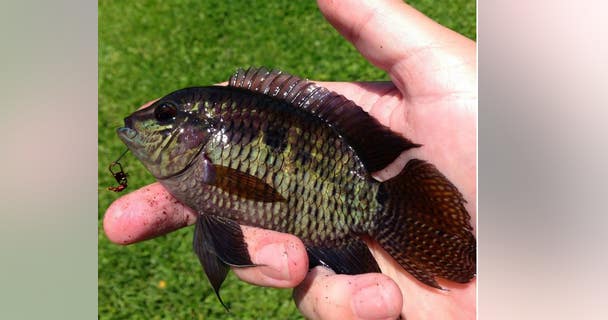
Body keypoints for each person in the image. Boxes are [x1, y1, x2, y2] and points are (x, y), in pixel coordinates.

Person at [103, 0, 476, 319]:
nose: (149, 123)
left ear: (195, 132)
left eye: (166, 116)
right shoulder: (197, 173)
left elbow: (252, 192)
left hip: (352, 186)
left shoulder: (207, 170)